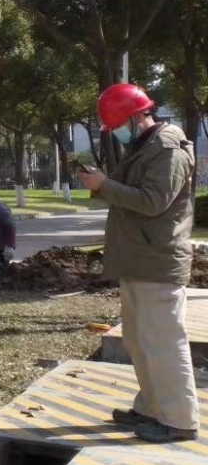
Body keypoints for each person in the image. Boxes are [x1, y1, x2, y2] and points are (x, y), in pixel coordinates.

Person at [79, 83, 199, 443]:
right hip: (139, 259)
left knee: (163, 341)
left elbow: (153, 202)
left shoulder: (168, 149)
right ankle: (150, 408)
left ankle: (179, 420)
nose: (114, 132)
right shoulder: (144, 146)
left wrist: (104, 185)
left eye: (116, 124)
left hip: (157, 262)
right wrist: (100, 185)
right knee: (139, 340)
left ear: (134, 116)